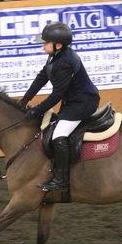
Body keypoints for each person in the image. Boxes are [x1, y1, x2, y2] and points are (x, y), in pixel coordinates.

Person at [18, 21, 100, 192]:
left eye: (46, 43)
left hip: (83, 103)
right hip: (72, 101)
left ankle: (61, 181)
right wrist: (25, 99)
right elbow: (42, 77)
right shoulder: (55, 56)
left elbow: (57, 95)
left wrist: (37, 110)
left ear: (59, 45)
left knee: (58, 136)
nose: (43, 46)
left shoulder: (65, 62)